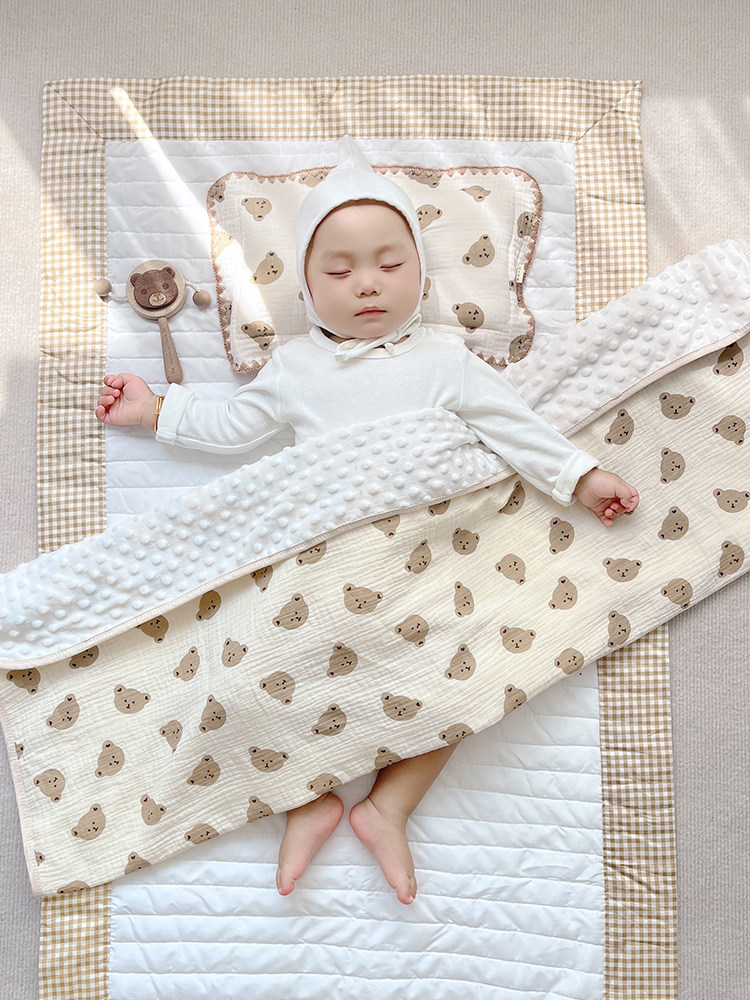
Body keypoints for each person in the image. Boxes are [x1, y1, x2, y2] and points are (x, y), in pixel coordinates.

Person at [96, 138, 638, 905]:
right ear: (307, 290)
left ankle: (389, 806)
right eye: (339, 271)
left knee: (465, 686)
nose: (367, 284)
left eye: (390, 263)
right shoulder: (295, 367)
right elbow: (233, 426)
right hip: (321, 565)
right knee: (258, 685)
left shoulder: (445, 359)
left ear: (421, 271)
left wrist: (581, 477)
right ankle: (306, 800)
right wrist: (156, 409)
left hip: (424, 564)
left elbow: (515, 429)